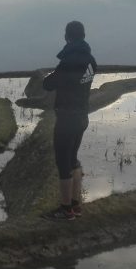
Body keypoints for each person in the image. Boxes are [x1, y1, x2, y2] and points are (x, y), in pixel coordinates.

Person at [42, 20, 96, 221]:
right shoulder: (91, 61)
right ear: (83, 35)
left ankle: (65, 210)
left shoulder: (69, 61)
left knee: (62, 161)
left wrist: (50, 76)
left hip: (67, 117)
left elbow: (49, 84)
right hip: (82, 116)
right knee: (73, 158)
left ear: (67, 36)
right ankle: (75, 205)